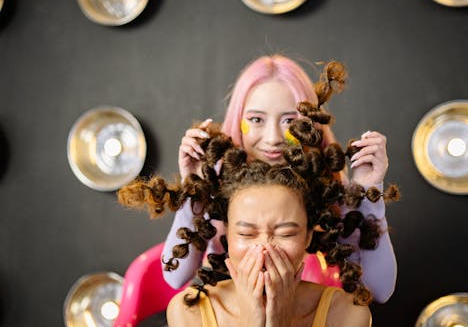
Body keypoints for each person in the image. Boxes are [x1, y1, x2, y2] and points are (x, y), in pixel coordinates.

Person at [120, 55, 398, 303]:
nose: (273, 138)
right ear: (237, 120)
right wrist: (193, 190)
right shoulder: (218, 186)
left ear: (310, 123)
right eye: (255, 119)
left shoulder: (329, 190)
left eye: (289, 121)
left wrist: (368, 193)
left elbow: (380, 289)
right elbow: (175, 277)